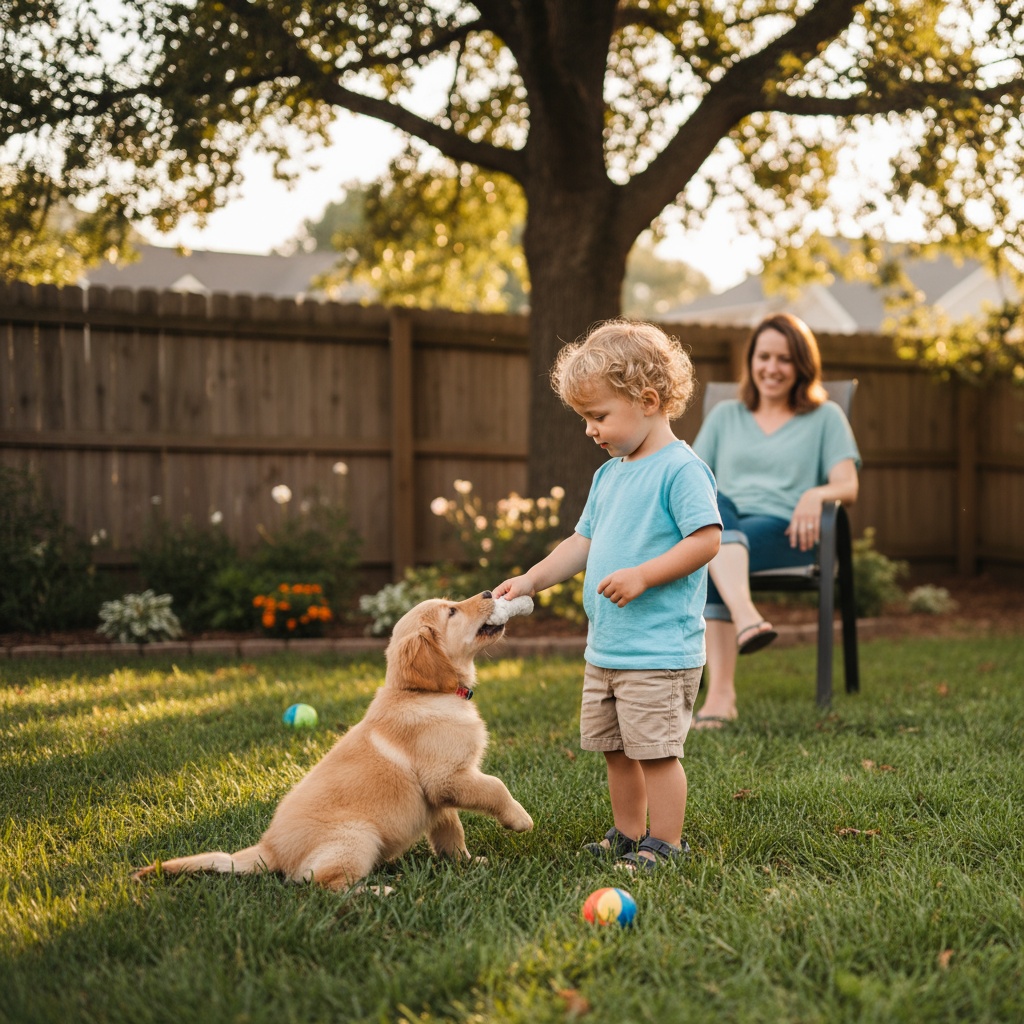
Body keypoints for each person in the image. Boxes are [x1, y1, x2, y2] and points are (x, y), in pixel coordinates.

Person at [494, 319, 721, 871]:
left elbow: (707, 540)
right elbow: (582, 542)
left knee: (656, 753)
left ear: (647, 400)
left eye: (599, 416)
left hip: (659, 650)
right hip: (608, 649)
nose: (590, 430)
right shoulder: (610, 476)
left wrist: (644, 575)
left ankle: (665, 842)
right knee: (617, 751)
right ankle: (626, 832)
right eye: (585, 419)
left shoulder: (681, 471)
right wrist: (530, 580)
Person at [690, 312, 861, 729]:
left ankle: (721, 696)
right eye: (763, 356)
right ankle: (747, 619)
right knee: (712, 501)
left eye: (784, 359)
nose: (772, 367)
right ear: (750, 361)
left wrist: (815, 493)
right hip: (725, 518)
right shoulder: (726, 415)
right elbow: (692, 480)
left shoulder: (826, 417)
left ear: (802, 364)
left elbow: (848, 485)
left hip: (789, 530)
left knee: (710, 551)